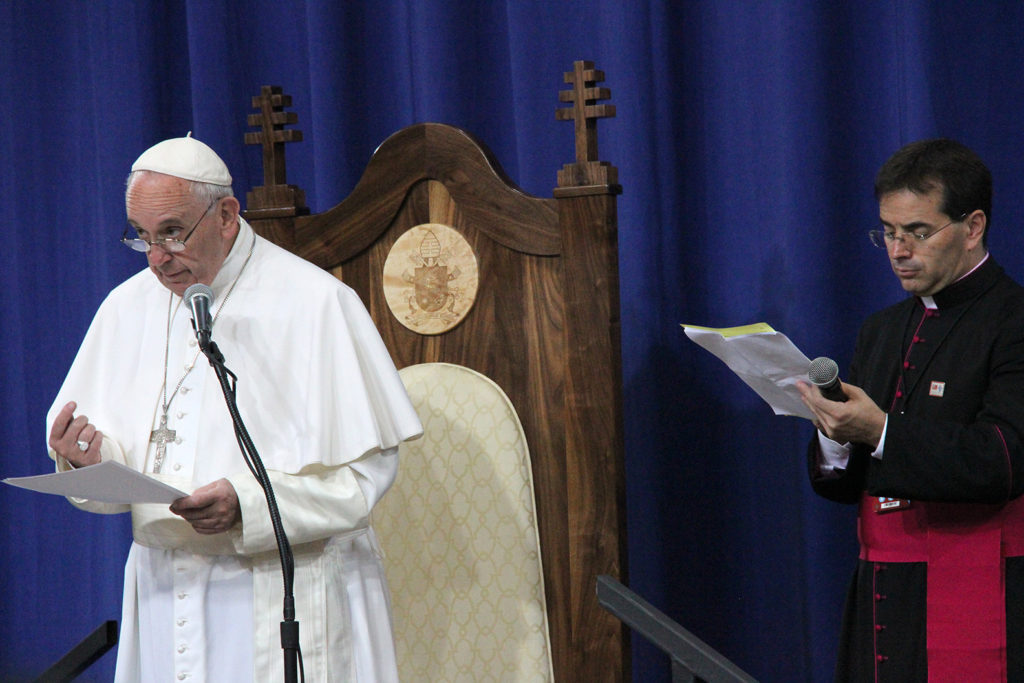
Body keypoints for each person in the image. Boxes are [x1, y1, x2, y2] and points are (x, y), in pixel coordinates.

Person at [46, 135, 422, 682]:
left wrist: (248, 506)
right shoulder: (126, 307)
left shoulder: (314, 302)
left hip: (279, 586)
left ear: (225, 215)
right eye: (142, 237)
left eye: (172, 232)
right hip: (162, 589)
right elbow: (131, 446)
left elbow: (365, 476)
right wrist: (89, 458)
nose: (157, 258)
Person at [798, 138, 1024, 682]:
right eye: (889, 232)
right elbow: (841, 486)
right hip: (882, 590)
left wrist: (879, 432)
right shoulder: (881, 329)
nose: (898, 250)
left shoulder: (1014, 320)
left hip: (978, 581)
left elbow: (1004, 459)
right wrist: (832, 432)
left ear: (972, 228)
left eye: (918, 232)